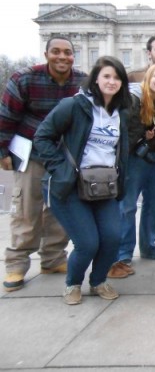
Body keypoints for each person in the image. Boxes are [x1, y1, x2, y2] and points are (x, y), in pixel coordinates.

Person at [34, 56, 131, 304]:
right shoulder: (74, 105)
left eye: (117, 77)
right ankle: (73, 284)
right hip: (71, 187)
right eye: (106, 76)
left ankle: (98, 281)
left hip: (104, 185)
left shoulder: (120, 113)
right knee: (87, 243)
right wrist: (60, 168)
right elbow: (42, 137)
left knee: (111, 238)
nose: (112, 81)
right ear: (95, 79)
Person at [0, 36, 87, 292]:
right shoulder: (25, 78)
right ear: (46, 53)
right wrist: (3, 150)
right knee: (27, 209)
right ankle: (16, 264)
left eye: (68, 52)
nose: (62, 57)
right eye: (56, 52)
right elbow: (7, 115)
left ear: (74, 55)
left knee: (60, 209)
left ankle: (52, 258)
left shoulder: (81, 81)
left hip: (65, 156)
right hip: (33, 153)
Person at [108, 62, 155, 278]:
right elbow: (124, 131)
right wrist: (141, 138)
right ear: (148, 78)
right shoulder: (134, 98)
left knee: (154, 205)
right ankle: (124, 251)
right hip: (134, 158)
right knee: (127, 206)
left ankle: (149, 246)